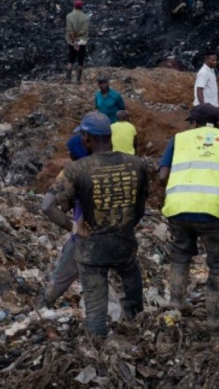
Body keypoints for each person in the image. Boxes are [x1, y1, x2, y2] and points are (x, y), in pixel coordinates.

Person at [41, 111, 150, 337]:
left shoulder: (76, 169)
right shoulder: (136, 164)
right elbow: (139, 208)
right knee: (132, 292)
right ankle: (137, 333)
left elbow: (47, 206)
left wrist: (74, 227)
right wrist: (124, 226)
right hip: (124, 244)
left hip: (91, 250)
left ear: (86, 137)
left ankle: (98, 345)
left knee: (96, 312)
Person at [158, 104, 219, 328]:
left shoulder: (179, 139)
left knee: (180, 254)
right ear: (217, 123)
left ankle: (177, 302)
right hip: (215, 211)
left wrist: (177, 196)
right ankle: (215, 318)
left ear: (194, 123)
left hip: (179, 208)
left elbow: (162, 176)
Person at [38, 132, 89, 308]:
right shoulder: (100, 169)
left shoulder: (73, 173)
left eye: (70, 151)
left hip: (83, 236)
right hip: (109, 235)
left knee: (60, 277)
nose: (69, 154)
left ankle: (41, 308)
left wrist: (72, 227)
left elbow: (57, 206)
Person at [65, 0, 89, 84]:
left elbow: (69, 29)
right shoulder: (85, 17)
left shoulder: (69, 16)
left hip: (72, 41)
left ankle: (68, 79)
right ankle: (78, 80)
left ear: (74, 6)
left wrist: (74, 40)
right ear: (82, 7)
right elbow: (84, 30)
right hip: (82, 41)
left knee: (70, 59)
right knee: (80, 61)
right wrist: (78, 38)